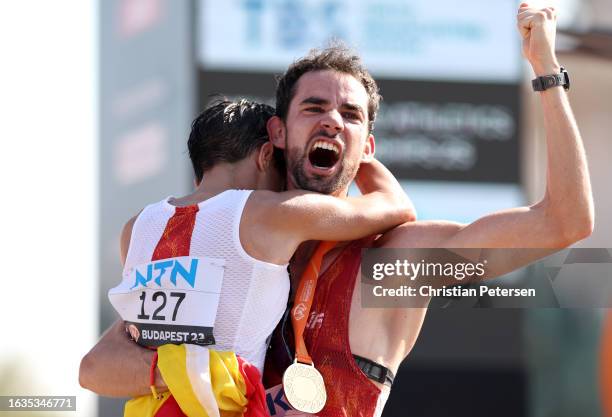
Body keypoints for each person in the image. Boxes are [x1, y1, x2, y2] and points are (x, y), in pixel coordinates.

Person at [80, 4, 594, 417]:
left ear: (367, 147)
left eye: (349, 115)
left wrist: (548, 73)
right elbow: (101, 363)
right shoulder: (228, 244)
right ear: (277, 136)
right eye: (313, 108)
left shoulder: (391, 262)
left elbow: (564, 223)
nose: (331, 120)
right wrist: (178, 372)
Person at [92, 98, 415, 415]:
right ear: (264, 156)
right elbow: (394, 205)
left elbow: (104, 361)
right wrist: (358, 150)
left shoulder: (136, 228)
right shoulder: (267, 212)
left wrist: (183, 371)